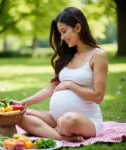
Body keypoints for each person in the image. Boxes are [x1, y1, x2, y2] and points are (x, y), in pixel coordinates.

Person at [11, 7, 108, 142]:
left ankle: (54, 131)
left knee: (68, 120)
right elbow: (50, 89)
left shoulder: (98, 55)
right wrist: (22, 104)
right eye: (60, 33)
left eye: (64, 31)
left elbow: (98, 97)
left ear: (78, 28)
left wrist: (70, 85)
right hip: (56, 119)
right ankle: (62, 136)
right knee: (18, 115)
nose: (62, 38)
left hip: (84, 121)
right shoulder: (66, 56)